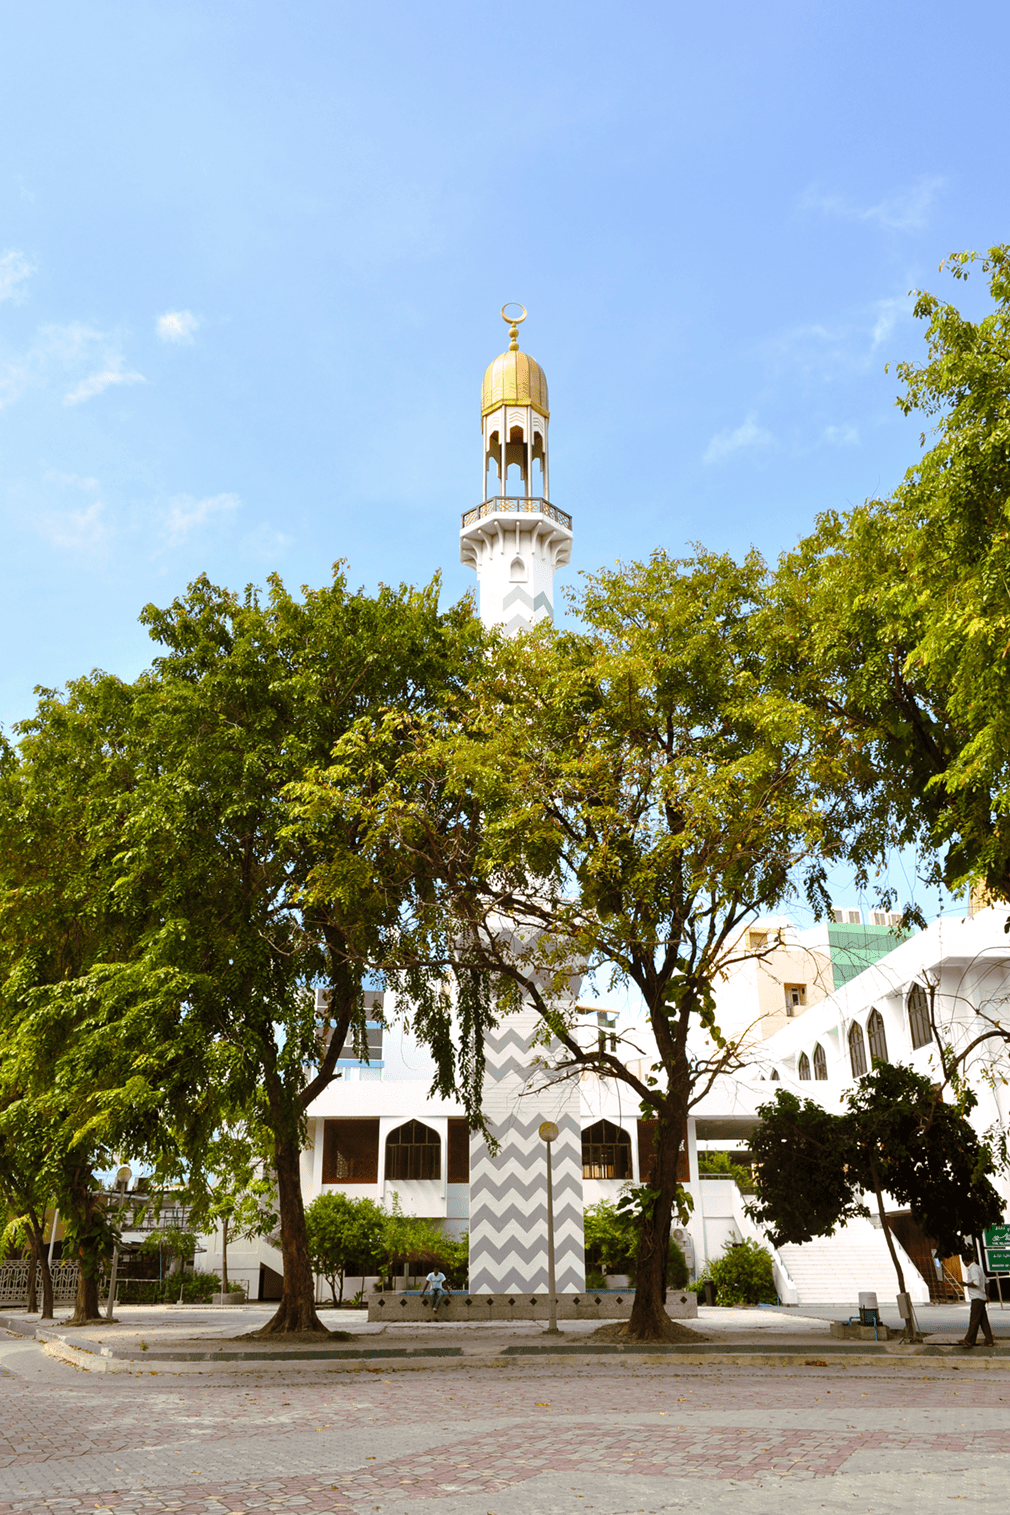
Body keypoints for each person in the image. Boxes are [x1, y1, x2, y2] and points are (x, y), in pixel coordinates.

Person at [958, 1249, 994, 1347]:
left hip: (977, 1298)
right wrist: (987, 1295)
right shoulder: (978, 1268)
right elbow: (987, 1282)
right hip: (981, 1297)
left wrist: (965, 1284)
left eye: (963, 1261)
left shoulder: (973, 1269)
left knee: (974, 1320)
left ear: (965, 1261)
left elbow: (976, 1283)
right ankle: (989, 1340)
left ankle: (969, 1340)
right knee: (983, 1321)